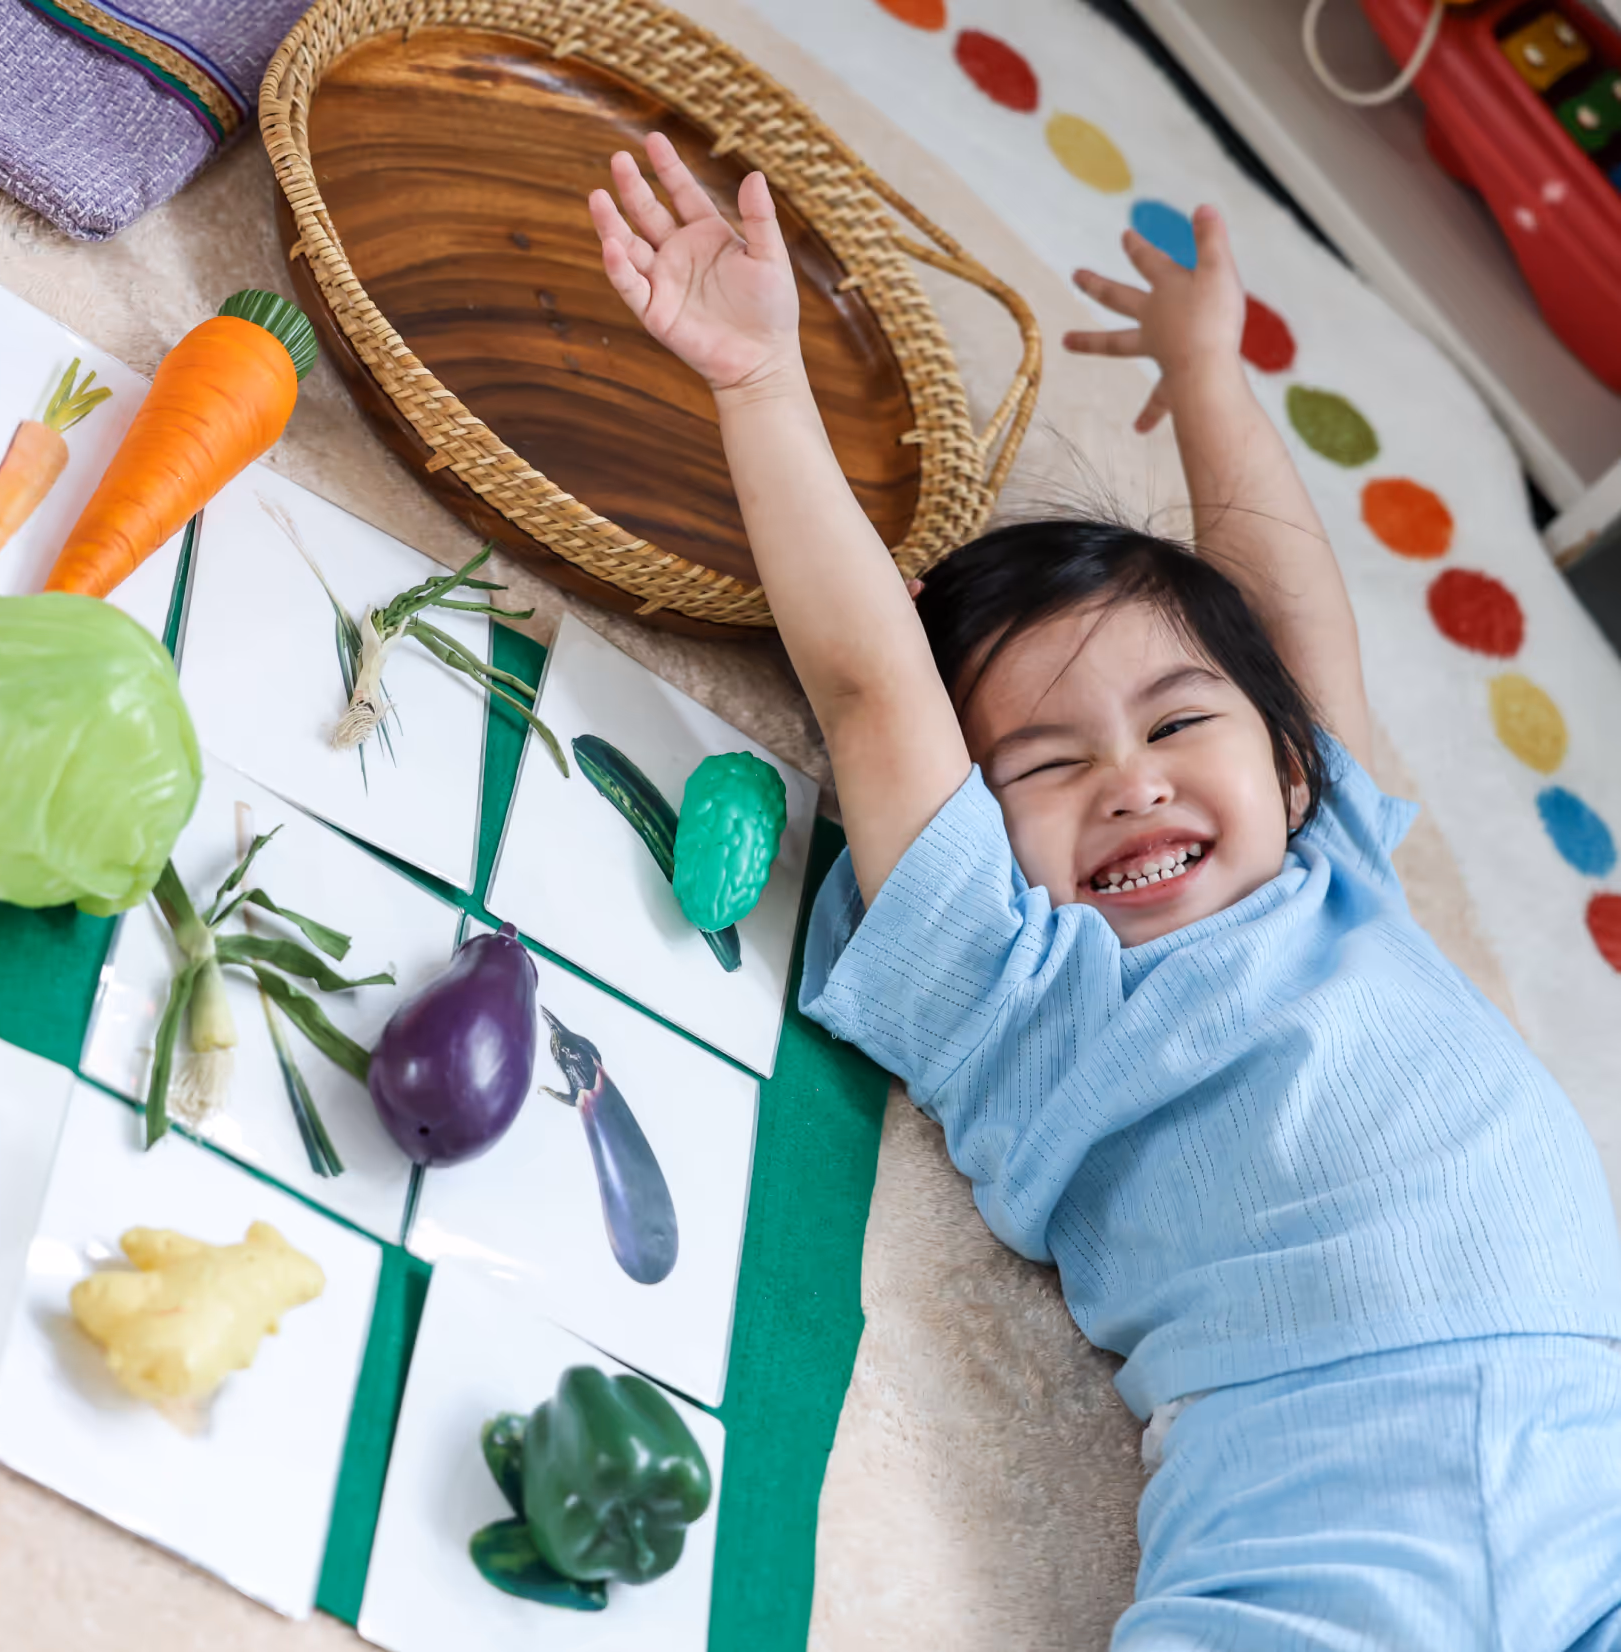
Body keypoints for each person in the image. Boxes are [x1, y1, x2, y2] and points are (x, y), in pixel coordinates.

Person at [587, 133, 1621, 1650]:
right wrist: (759, 385)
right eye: (1046, 765)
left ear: (1283, 760)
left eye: (1179, 725)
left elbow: (1285, 605)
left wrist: (1208, 377)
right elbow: (875, 686)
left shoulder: (1331, 852)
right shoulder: (1019, 983)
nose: (1131, 781)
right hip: (1317, 1483)